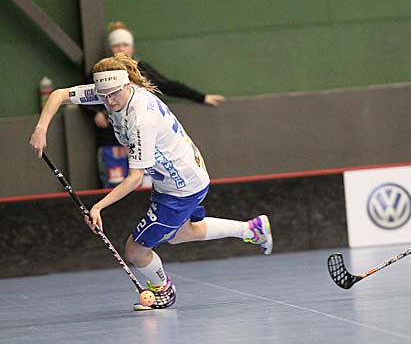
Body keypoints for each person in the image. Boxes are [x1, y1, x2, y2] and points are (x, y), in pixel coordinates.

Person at [30, 53, 272, 310]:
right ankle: (252, 229)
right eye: (103, 95)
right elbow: (59, 95)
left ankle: (163, 290)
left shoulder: (141, 119)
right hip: (178, 177)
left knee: (135, 250)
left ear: (126, 85)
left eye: (114, 94)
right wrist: (41, 129)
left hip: (181, 186)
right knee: (182, 233)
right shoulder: (108, 91)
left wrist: (99, 206)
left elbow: (135, 178)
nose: (109, 101)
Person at [89, 21, 225, 188]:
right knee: (115, 184)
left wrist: (201, 97)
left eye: (125, 44)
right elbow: (82, 94)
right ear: (110, 48)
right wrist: (96, 111)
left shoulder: (141, 70)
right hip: (113, 140)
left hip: (142, 139)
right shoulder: (102, 73)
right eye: (116, 45)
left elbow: (167, 85)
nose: (121, 49)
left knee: (146, 185)